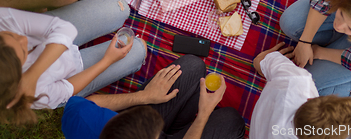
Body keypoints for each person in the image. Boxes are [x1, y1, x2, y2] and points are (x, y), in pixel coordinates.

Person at [0, 0, 146, 125]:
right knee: (139, 49)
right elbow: (70, 87)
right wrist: (106, 61)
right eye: (24, 52)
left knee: (120, 8)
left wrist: (32, 74)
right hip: (70, 74)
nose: (23, 40)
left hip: (52, 30)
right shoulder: (32, 93)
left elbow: (65, 30)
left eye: (11, 35)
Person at [61, 54, 245, 139]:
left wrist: (143, 97)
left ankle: (176, 127)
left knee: (193, 66)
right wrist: (203, 115)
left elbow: (88, 103)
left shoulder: (83, 122)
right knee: (232, 121)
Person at [250, 43, 351, 139]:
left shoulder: (297, 82)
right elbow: (260, 61)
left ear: (310, 100)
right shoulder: (300, 81)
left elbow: (260, 61)